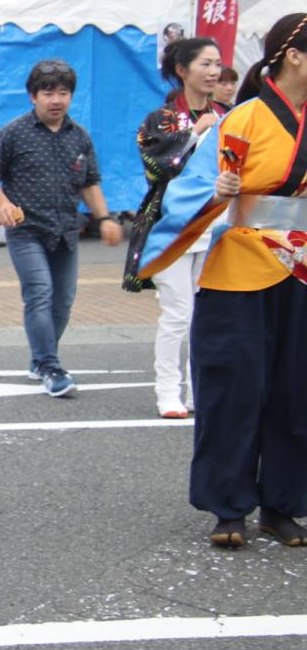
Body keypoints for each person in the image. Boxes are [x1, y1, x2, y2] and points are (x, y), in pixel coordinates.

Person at [138, 12, 307, 549]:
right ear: (294, 55)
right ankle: (228, 506)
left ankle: (282, 505)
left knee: (295, 390)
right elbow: (188, 193)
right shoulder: (242, 120)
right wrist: (218, 191)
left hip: (301, 270)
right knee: (235, 388)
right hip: (238, 264)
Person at [0, 59, 122, 398]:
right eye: (48, 92)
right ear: (33, 96)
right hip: (26, 229)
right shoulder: (14, 132)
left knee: (64, 301)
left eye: (63, 92)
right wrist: (3, 204)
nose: (56, 99)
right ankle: (50, 365)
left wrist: (104, 218)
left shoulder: (80, 137)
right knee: (40, 292)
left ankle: (41, 357)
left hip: (65, 230)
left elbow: (90, 182)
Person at [122, 38, 225, 418]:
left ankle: (200, 389)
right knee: (178, 312)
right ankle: (168, 391)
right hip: (169, 226)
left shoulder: (228, 116)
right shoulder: (160, 119)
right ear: (182, 70)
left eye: (217, 64)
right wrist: (196, 134)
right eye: (205, 64)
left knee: (205, 314)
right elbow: (157, 167)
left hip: (212, 224)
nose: (214, 71)